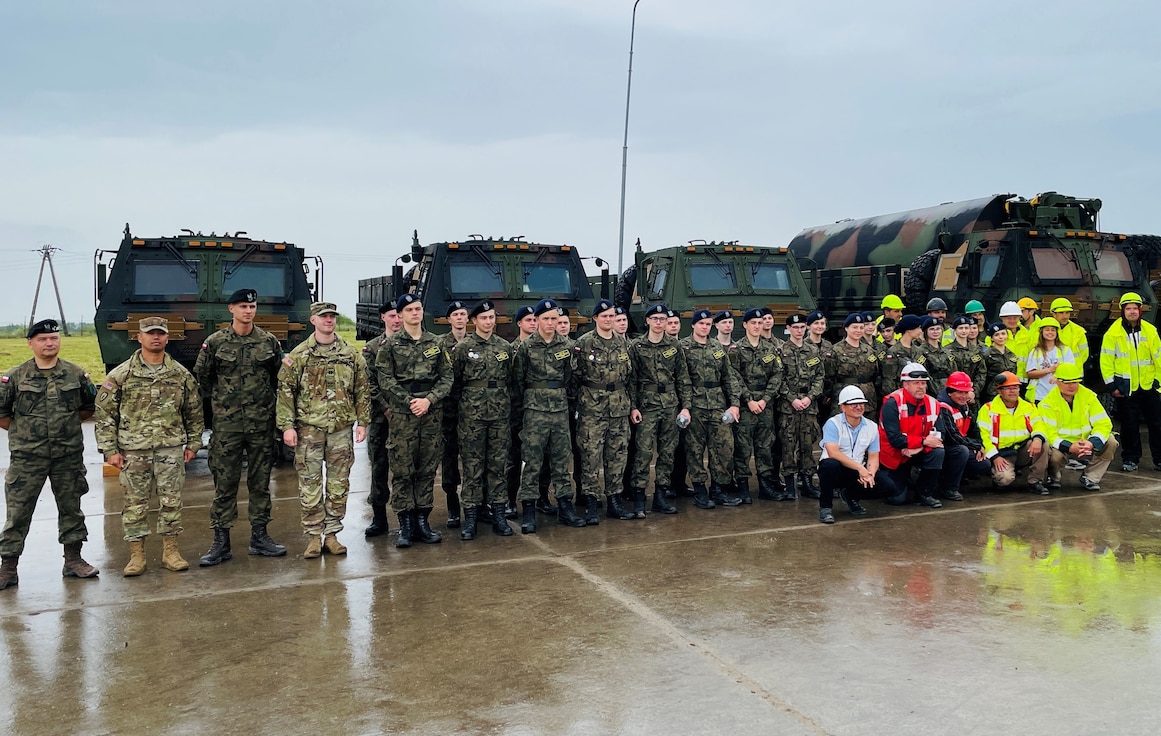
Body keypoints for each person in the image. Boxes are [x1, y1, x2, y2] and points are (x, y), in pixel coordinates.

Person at [96, 317, 204, 576]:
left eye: (160, 333)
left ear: (167, 338)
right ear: (139, 337)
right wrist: (110, 450)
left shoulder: (179, 373)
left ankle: (171, 552)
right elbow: (105, 413)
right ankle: (137, 555)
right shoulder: (121, 374)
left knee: (171, 501)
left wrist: (194, 442)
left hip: (169, 448)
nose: (155, 337)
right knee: (135, 503)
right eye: (150, 333)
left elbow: (193, 411)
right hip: (134, 449)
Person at [0, 319, 99, 589]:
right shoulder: (15, 377)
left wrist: (62, 429)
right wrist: (28, 435)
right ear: (31, 343)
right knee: (18, 512)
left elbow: (87, 408)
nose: (49, 343)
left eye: (53, 338)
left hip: (67, 456)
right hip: (27, 458)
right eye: (42, 339)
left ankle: (74, 560)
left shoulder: (75, 374)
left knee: (71, 508)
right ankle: (8, 567)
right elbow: (3, 415)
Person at [194, 288, 286, 567]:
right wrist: (223, 408)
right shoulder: (216, 342)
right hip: (227, 428)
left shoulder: (268, 342)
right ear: (231, 309)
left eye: (253, 306)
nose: (248, 310)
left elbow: (277, 378)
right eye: (243, 306)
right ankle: (221, 542)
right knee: (225, 484)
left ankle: (260, 537)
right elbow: (204, 379)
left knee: (260, 484)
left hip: (261, 425)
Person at [278, 302, 371, 557]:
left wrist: (363, 422)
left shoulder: (351, 354)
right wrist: (287, 426)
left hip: (341, 429)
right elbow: (286, 393)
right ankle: (312, 536)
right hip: (309, 429)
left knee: (339, 484)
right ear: (313, 320)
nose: (328, 320)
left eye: (332, 317)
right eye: (323, 317)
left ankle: (331, 535)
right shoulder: (298, 355)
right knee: (309, 484)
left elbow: (362, 389)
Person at [374, 294, 450, 547]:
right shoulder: (391, 345)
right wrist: (409, 401)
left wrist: (429, 400)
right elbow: (385, 379)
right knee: (403, 469)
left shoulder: (435, 343)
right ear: (401, 314)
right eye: (409, 310)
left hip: (430, 413)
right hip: (404, 415)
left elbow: (447, 377)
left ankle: (422, 521)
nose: (415, 313)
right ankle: (405, 524)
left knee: (427, 468)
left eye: (418, 308)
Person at [513, 299, 585, 530]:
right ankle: (529, 510)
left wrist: (565, 403)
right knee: (532, 462)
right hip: (534, 412)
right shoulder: (526, 347)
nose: (551, 323)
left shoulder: (566, 346)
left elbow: (570, 379)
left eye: (554, 318)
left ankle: (565, 506)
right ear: (537, 320)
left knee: (561, 461)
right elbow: (517, 381)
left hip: (560, 411)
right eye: (546, 318)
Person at [452, 301, 515, 539]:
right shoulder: (463, 348)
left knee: (498, 466)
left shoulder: (505, 347)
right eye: (484, 318)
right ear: (474, 321)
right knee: (472, 466)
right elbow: (455, 383)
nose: (489, 322)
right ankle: (470, 517)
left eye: (491, 317)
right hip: (472, 417)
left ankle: (498, 513)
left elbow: (512, 380)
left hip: (499, 416)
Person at [573, 299, 636, 520]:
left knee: (617, 456)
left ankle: (615, 501)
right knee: (591, 457)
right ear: (595, 319)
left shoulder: (624, 344)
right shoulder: (583, 344)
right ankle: (591, 501)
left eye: (611, 316)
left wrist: (632, 406)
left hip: (619, 408)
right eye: (604, 316)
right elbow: (575, 377)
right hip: (593, 410)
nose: (608, 319)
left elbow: (631, 378)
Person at [628, 303, 691, 515]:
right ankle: (638, 497)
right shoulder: (637, 347)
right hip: (647, 407)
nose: (659, 323)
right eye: (655, 319)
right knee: (643, 453)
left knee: (667, 453)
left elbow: (683, 378)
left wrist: (686, 407)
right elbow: (632, 380)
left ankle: (661, 496)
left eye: (662, 319)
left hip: (670, 405)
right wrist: (633, 406)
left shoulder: (675, 346)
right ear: (647, 321)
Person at [681, 308, 743, 509]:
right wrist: (685, 407)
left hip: (717, 405)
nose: (705, 327)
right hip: (695, 405)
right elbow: (682, 380)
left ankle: (719, 489)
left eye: (708, 324)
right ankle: (700, 490)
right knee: (694, 450)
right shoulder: (684, 347)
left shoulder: (717, 347)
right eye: (701, 324)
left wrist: (734, 404)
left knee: (724, 448)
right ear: (693, 325)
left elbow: (728, 377)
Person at [817, 386, 897, 523]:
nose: (859, 407)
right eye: (853, 404)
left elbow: (873, 457)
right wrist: (861, 469)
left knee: (888, 487)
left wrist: (870, 475)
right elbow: (833, 452)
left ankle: (850, 496)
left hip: (856, 470)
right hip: (837, 469)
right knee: (829, 465)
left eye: (861, 404)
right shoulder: (833, 424)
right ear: (843, 407)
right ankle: (825, 507)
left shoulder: (872, 426)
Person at [1100, 291, 1161, 472]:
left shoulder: (1150, 331)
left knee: (1157, 424)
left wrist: (1158, 382)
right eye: (1129, 308)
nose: (1132, 312)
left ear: (1140, 310)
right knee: (1129, 425)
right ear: (1123, 311)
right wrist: (1112, 386)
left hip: (1149, 385)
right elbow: (1106, 360)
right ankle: (1131, 458)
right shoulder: (1113, 333)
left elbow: (1158, 358)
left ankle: (1159, 459)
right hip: (1126, 388)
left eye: (1135, 308)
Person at [1034, 362, 1118, 491]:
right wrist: (1069, 446)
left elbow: (1103, 423)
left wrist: (1091, 442)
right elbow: (1049, 434)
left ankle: (1091, 477)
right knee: (1054, 455)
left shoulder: (1089, 396)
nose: (1072, 386)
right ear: (1057, 382)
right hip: (1062, 446)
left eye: (1075, 382)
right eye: (1067, 382)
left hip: (1085, 443)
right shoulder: (1047, 403)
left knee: (1111, 441)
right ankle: (1054, 476)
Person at [877, 363, 944, 508]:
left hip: (915, 449)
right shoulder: (892, 403)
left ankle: (924, 494)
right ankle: (885, 477)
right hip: (895, 455)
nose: (921, 387)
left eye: (924, 383)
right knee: (897, 500)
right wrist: (923, 441)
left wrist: (920, 446)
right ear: (905, 384)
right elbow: (895, 439)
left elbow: (940, 433)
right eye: (916, 383)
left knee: (938, 451)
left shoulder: (933, 403)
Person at [732, 308, 781, 504]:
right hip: (746, 406)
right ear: (745, 325)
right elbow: (734, 377)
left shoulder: (770, 349)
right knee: (742, 448)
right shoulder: (736, 350)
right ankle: (743, 486)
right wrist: (749, 400)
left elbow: (777, 374)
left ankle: (765, 485)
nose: (757, 326)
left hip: (765, 404)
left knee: (765, 447)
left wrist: (765, 399)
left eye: (760, 323)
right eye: (753, 323)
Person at [362, 302, 402, 537]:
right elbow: (370, 384)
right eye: (391, 316)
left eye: (399, 315)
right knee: (379, 466)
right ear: (382, 318)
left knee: (406, 468)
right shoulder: (372, 348)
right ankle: (379, 518)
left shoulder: (412, 345)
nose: (396, 320)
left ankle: (407, 517)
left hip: (406, 417)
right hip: (380, 418)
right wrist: (387, 409)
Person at [777, 313, 824, 500]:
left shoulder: (813, 351)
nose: (799, 330)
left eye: (802, 327)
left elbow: (820, 377)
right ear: (788, 329)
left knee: (807, 445)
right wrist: (791, 398)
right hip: (789, 407)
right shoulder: (781, 351)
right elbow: (777, 379)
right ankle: (789, 484)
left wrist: (810, 397)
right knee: (788, 444)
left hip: (808, 405)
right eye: (795, 327)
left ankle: (806, 482)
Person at [977, 371, 1048, 494]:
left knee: (1043, 444)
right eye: (1008, 388)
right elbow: (983, 436)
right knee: (1004, 479)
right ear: (999, 391)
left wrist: (1037, 439)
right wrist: (995, 457)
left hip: (1023, 450)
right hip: (1002, 454)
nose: (1012, 391)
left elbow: (1039, 426)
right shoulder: (988, 409)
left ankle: (1035, 482)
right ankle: (997, 474)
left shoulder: (1029, 407)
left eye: (1015, 387)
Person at [507, 305, 542, 514]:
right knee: (513, 459)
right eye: (528, 320)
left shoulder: (540, 347)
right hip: (516, 412)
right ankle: (510, 500)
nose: (532, 323)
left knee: (539, 458)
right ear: (519, 323)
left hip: (537, 412)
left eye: (534, 320)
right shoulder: (510, 349)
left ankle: (540, 498)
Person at [438, 301, 470, 528]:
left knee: (473, 459)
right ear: (448, 319)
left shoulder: (474, 342)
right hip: (448, 410)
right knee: (449, 459)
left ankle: (475, 505)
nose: (459, 318)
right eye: (455, 315)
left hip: (472, 410)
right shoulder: (440, 344)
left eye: (463, 314)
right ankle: (452, 507)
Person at [935, 372, 991, 501]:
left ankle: (958, 477)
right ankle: (949, 488)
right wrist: (974, 445)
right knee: (961, 451)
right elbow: (952, 437)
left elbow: (974, 429)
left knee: (983, 464)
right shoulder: (943, 407)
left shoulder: (964, 406)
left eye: (966, 393)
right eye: (960, 392)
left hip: (961, 444)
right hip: (946, 448)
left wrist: (979, 445)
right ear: (950, 391)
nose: (964, 396)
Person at [826, 313, 879, 421]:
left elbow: (876, 374)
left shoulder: (869, 351)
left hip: (867, 398)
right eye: (855, 327)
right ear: (846, 328)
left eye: (861, 327)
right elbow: (828, 375)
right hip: (844, 397)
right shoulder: (836, 350)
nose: (858, 330)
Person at [1023, 317, 1074, 404]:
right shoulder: (1035, 351)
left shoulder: (1065, 350)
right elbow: (1030, 374)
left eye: (1053, 330)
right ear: (1041, 332)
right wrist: (1050, 370)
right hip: (1039, 396)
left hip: (1059, 395)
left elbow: (1071, 371)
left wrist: (1057, 375)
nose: (1050, 332)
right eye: (1047, 330)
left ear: (1057, 333)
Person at [878, 314, 923, 398]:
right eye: (918, 328)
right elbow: (889, 380)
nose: (920, 331)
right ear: (910, 330)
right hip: (900, 396)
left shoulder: (918, 350)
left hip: (917, 395)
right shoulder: (893, 352)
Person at [945, 315, 987, 400]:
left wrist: (973, 392)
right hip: (955, 395)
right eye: (961, 328)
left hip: (973, 395)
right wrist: (960, 392)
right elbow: (948, 373)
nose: (964, 331)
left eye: (966, 328)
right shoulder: (947, 350)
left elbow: (981, 373)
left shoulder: (976, 350)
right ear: (955, 330)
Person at [914, 317, 953, 396]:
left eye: (938, 329)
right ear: (926, 331)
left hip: (948, 392)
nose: (935, 332)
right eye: (932, 329)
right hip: (930, 392)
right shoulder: (920, 351)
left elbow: (952, 372)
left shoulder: (946, 351)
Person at [981, 323, 1018, 405]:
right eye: (997, 335)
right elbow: (982, 376)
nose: (1001, 337)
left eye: (1003, 334)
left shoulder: (1011, 354)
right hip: (991, 394)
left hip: (1009, 393)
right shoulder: (987, 355)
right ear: (992, 338)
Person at [1048, 298, 1089, 367]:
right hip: (1051, 373)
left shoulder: (1078, 331)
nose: (1065, 316)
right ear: (1054, 314)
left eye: (1067, 313)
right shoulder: (1044, 330)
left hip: (1073, 373)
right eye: (1061, 313)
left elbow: (1084, 354)